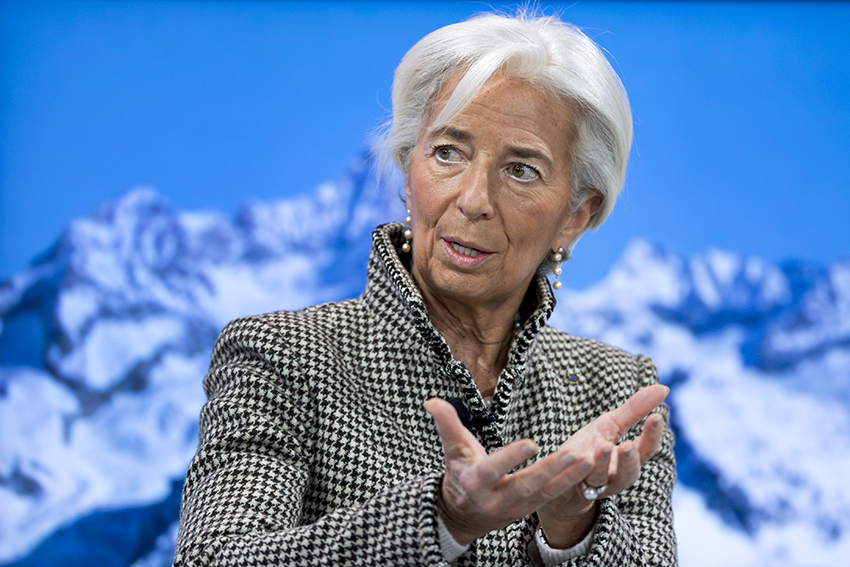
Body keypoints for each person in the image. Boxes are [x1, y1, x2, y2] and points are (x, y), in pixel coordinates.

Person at [173, 10, 676, 567]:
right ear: (408, 173)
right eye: (448, 152)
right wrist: (442, 520)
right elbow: (213, 559)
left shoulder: (619, 391)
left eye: (521, 170)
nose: (473, 199)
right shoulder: (282, 357)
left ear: (576, 216)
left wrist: (571, 532)